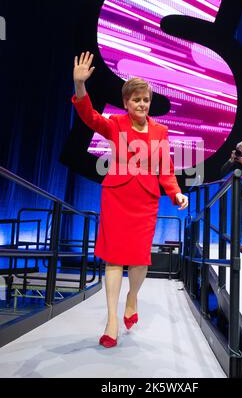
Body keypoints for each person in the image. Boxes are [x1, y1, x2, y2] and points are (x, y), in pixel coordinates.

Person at [72, 52, 189, 348]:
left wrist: (175, 192)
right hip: (117, 197)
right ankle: (111, 321)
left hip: (145, 201)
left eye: (145, 100)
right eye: (136, 100)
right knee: (113, 258)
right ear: (126, 102)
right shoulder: (116, 124)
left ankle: (132, 297)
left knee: (139, 259)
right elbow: (89, 117)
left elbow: (166, 169)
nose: (141, 104)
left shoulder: (161, 131)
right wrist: (80, 86)